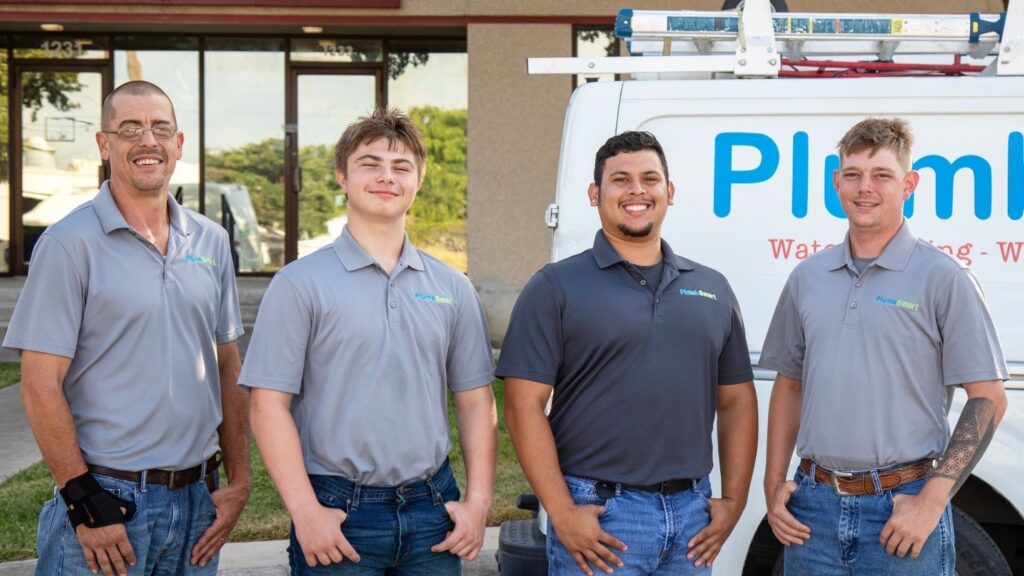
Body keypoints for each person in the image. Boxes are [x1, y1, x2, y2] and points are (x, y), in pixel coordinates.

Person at [4, 80, 250, 576]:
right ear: (104, 143)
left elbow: (226, 364)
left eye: (160, 127)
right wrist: (82, 499)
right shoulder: (68, 244)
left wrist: (240, 481)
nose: (147, 141)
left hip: (199, 506)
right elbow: (39, 382)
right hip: (110, 503)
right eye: (130, 128)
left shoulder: (212, 240)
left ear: (178, 144)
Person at [240, 107, 497, 575]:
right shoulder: (300, 284)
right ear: (342, 176)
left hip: (433, 511)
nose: (386, 177)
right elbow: (267, 405)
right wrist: (305, 512)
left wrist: (478, 502)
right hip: (339, 514)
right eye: (370, 163)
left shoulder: (453, 287)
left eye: (401, 167)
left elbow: (478, 402)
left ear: (418, 182)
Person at [499, 131, 758, 576]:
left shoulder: (713, 288)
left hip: (692, 519)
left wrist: (733, 502)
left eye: (650, 178)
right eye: (620, 180)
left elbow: (736, 400)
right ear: (595, 193)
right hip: (599, 517)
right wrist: (561, 513)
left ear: (669, 192)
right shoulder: (555, 287)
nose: (637, 190)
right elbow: (523, 405)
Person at [761, 117, 1009, 575]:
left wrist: (932, 501)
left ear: (909, 184)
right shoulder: (807, 279)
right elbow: (789, 384)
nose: (864, 188)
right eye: (852, 174)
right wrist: (773, 482)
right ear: (837, 182)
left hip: (902, 508)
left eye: (882, 175)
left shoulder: (944, 278)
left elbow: (988, 397)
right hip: (811, 510)